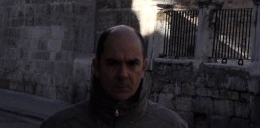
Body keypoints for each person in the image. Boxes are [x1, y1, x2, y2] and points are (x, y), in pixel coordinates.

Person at [41, 25, 185, 127]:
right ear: (97, 67)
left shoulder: (171, 125)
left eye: (132, 64)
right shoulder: (59, 125)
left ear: (143, 68)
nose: (123, 74)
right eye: (113, 63)